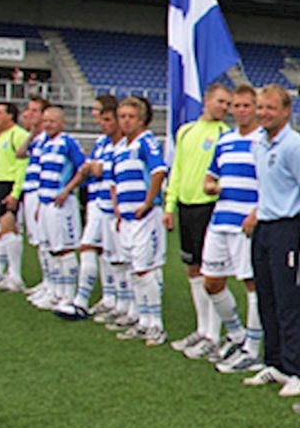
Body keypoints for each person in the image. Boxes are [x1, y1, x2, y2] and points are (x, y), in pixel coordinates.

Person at [242, 85, 300, 397]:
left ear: (286, 111)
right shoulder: (259, 143)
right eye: (260, 107)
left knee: (291, 300)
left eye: (270, 108)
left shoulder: (295, 146)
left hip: (290, 228)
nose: (263, 113)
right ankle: (276, 363)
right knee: (267, 298)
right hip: (265, 228)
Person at [202, 85, 266, 375]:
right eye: (236, 106)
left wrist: (256, 213)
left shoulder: (262, 141)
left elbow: (272, 184)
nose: (240, 110)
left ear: (255, 107)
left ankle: (252, 350)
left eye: (245, 105)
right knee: (211, 282)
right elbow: (210, 176)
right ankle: (237, 336)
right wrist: (210, 185)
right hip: (220, 220)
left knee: (252, 285)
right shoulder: (225, 140)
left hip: (246, 224)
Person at [165, 83, 232, 360]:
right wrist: (170, 205)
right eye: (221, 102)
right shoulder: (186, 131)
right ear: (206, 100)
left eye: (228, 104)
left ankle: (213, 336)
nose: (225, 108)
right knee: (192, 269)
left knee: (211, 272)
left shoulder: (225, 134)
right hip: (185, 205)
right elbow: (177, 169)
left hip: (209, 208)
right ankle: (202, 329)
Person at [53, 96, 121, 320]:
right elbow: (86, 168)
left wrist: (97, 168)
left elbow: (105, 170)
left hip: (115, 207)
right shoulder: (102, 142)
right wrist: (75, 182)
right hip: (97, 202)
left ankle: (118, 302)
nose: (101, 123)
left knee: (114, 256)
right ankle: (86, 300)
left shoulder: (123, 145)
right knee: (90, 248)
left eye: (106, 118)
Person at [111, 97, 169, 346]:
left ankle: (156, 325)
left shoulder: (147, 142)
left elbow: (158, 171)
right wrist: (118, 211)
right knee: (135, 270)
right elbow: (115, 182)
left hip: (145, 217)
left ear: (141, 119)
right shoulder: (121, 146)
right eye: (122, 116)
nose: (125, 120)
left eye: (130, 116)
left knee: (146, 270)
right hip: (126, 219)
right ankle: (143, 321)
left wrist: (148, 202)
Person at [35, 105, 87, 312]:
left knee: (65, 249)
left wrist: (67, 190)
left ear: (62, 123)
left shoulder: (68, 143)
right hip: (46, 204)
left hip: (62, 205)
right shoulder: (46, 145)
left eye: (52, 121)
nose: (48, 124)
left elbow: (83, 169)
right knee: (52, 249)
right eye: (45, 121)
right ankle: (56, 292)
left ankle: (69, 294)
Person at [0, 103, 29, 291]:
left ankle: (15, 276)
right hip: (0, 184)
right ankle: (1, 270)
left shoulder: (19, 135)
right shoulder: (1, 136)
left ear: (10, 116)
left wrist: (15, 192)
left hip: (11, 185)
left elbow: (21, 165)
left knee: (10, 228)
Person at [17, 97, 53, 308]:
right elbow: (20, 153)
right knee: (39, 241)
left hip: (40, 193)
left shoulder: (49, 139)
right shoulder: (37, 139)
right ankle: (46, 281)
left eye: (34, 111)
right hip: (29, 191)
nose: (29, 114)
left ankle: (52, 284)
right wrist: (31, 133)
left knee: (46, 241)